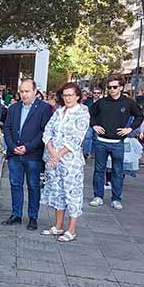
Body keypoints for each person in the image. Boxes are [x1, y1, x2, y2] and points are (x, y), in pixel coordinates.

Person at [41, 82, 90, 242]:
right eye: (65, 94)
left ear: (77, 96)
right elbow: (47, 131)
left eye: (71, 95)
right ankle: (58, 225)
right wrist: (51, 151)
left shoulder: (82, 112)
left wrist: (58, 154)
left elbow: (76, 138)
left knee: (72, 193)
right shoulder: (59, 111)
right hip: (53, 159)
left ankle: (71, 229)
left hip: (70, 161)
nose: (67, 98)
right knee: (57, 191)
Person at [1, 79, 53, 231]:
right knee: (15, 184)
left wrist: (28, 147)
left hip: (32, 155)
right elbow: (8, 128)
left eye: (27, 91)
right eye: (22, 91)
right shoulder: (14, 108)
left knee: (33, 186)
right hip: (14, 154)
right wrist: (12, 146)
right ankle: (16, 214)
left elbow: (44, 131)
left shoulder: (44, 108)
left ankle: (33, 217)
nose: (24, 94)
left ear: (35, 91)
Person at [88, 75, 143, 210]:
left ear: (121, 87)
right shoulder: (102, 102)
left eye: (114, 87)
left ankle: (116, 198)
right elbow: (90, 113)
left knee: (118, 171)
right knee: (99, 170)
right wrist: (94, 125)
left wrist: (130, 129)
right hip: (101, 141)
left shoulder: (128, 102)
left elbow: (140, 116)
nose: (111, 90)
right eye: (109, 87)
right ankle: (98, 196)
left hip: (118, 142)